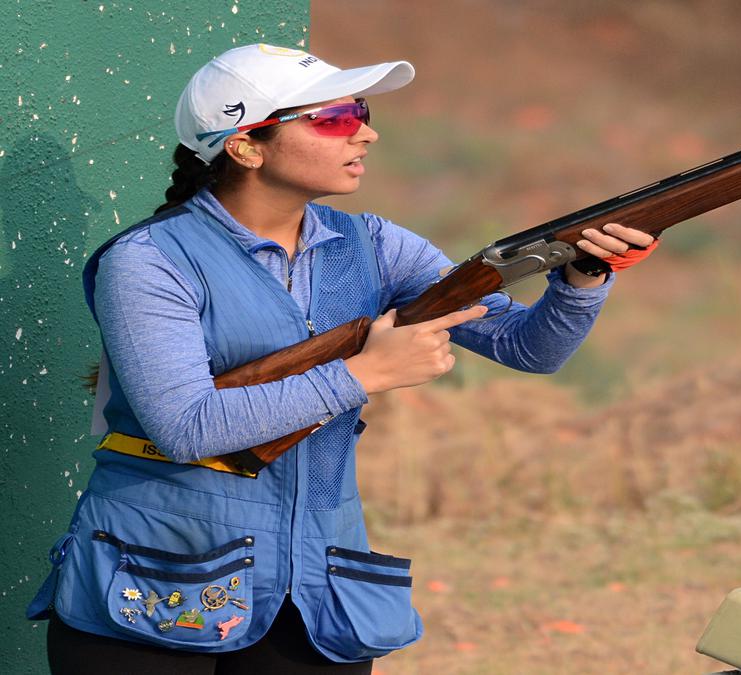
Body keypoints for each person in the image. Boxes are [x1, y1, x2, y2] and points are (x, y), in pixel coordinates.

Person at [26, 43, 658, 674]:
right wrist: (364, 374)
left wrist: (582, 280)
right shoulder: (149, 260)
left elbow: (528, 348)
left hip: (315, 584)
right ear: (246, 146)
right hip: (160, 575)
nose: (367, 132)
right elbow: (187, 427)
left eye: (358, 110)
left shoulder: (373, 244)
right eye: (333, 119)